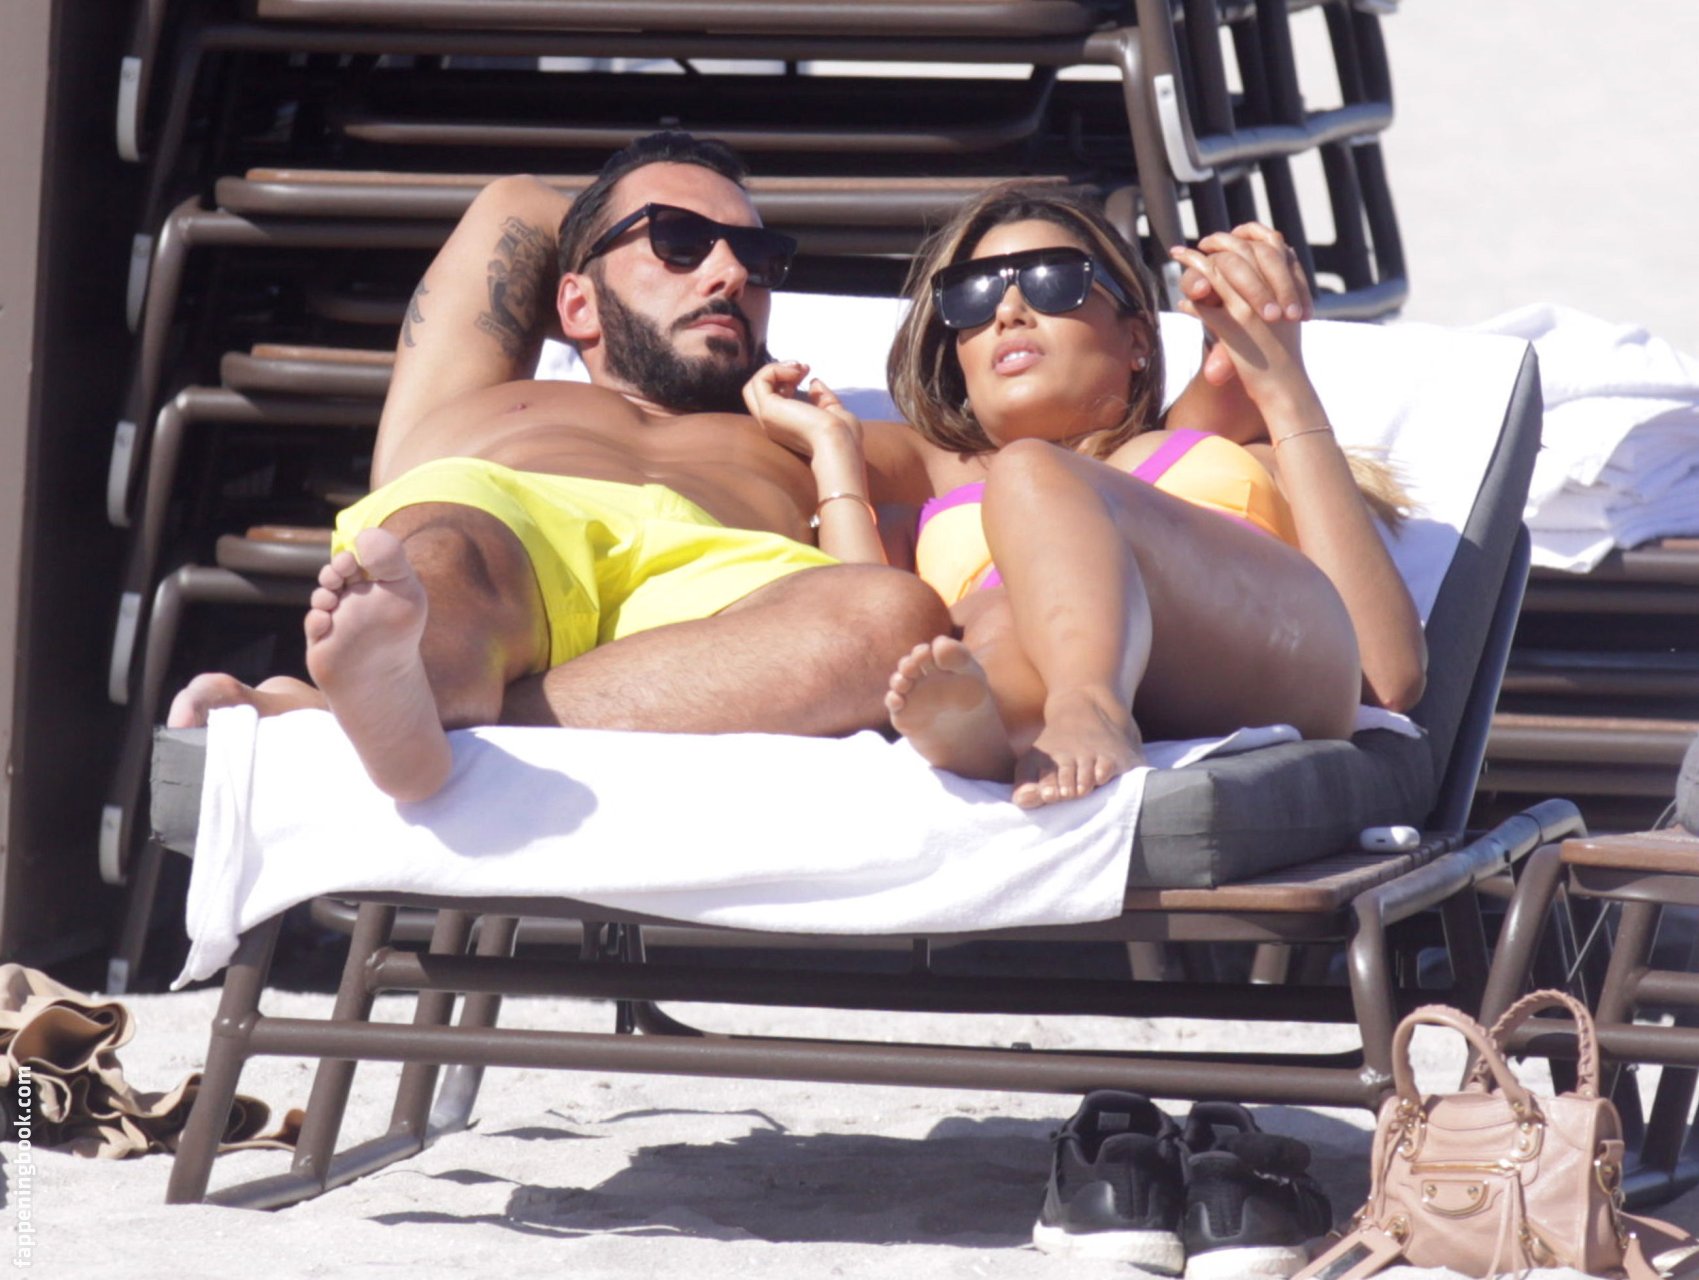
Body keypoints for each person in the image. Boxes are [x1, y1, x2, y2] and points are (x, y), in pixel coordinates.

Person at [168, 131, 954, 801]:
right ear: (573, 303)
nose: (730, 273)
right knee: (440, 554)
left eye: (757, 255)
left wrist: (829, 448)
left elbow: (1006, 461)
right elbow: (514, 206)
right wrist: (612, 246)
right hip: (507, 528)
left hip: (725, 587)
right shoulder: (477, 398)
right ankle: (412, 688)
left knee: (890, 617)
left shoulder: (809, 432)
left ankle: (388, 716)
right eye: (679, 242)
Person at [743, 184, 1426, 809]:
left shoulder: (1215, 445)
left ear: (1136, 339)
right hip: (1028, 681)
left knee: (1030, 473)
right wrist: (832, 451)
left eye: (1052, 281)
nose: (1008, 311)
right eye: (973, 296)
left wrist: (1281, 382)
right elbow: (861, 630)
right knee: (985, 621)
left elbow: (1387, 675)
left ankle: (1089, 703)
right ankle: (995, 728)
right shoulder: (926, 506)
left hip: (1261, 650)